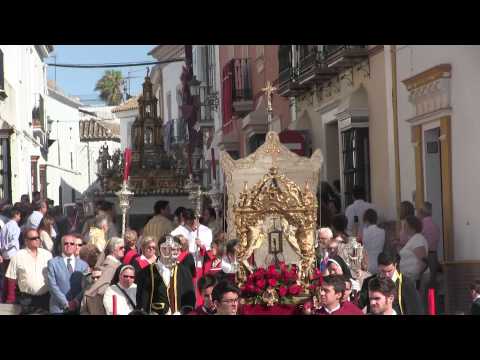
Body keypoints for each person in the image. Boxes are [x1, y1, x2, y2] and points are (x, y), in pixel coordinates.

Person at [136, 235, 196, 315]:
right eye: (165, 248)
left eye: (172, 249)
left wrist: (182, 312)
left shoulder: (184, 272)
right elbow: (141, 300)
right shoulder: (145, 273)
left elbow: (190, 298)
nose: (168, 252)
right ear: (159, 249)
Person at [358, 251, 423, 315]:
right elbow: (358, 305)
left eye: (389, 271)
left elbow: (415, 310)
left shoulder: (406, 284)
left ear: (395, 265)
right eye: (383, 271)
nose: (387, 275)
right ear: (378, 267)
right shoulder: (369, 282)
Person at [4, 228, 52, 314]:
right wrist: (11, 299)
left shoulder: (47, 255)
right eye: (33, 238)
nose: (37, 240)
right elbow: (11, 278)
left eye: (38, 237)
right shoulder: (18, 256)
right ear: (26, 241)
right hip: (26, 300)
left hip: (45, 298)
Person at [171, 208, 212, 305]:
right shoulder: (176, 232)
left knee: (199, 292)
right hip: (184, 265)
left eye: (193, 220)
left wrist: (201, 246)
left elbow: (209, 250)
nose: (192, 223)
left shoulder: (205, 231)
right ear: (184, 219)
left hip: (199, 265)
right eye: (188, 221)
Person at [80, 237, 125, 315]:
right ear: (113, 249)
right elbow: (99, 291)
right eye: (121, 248)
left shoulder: (115, 265)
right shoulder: (110, 267)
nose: (124, 249)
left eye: (124, 247)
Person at [47, 234, 89, 314]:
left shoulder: (84, 265)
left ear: (75, 246)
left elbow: (86, 286)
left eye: (72, 243)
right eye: (66, 243)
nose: (69, 245)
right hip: (58, 308)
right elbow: (52, 286)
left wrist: (76, 301)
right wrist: (65, 303)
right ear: (61, 246)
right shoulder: (52, 263)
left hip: (78, 308)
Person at [399, 215, 429, 286]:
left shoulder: (418, 239)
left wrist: (416, 278)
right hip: (409, 278)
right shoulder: (413, 239)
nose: (403, 227)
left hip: (414, 279)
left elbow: (423, 262)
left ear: (412, 227)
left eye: (405, 225)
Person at [0, 208, 22, 301]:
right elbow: (14, 241)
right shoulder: (15, 227)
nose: (20, 217)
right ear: (16, 215)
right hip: (12, 254)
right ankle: (10, 297)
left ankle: (4, 296)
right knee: (12, 276)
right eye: (19, 215)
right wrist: (5, 247)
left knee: (6, 276)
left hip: (5, 254)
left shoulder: (5, 226)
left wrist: (2, 249)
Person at [417, 202, 440, 287]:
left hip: (425, 257)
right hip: (434, 256)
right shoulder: (435, 225)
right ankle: (433, 300)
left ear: (421, 212)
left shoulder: (421, 226)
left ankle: (426, 300)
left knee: (424, 285)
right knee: (433, 285)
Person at [362, 208, 385, 274]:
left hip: (367, 263)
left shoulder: (364, 231)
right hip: (379, 263)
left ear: (366, 219)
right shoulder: (382, 231)